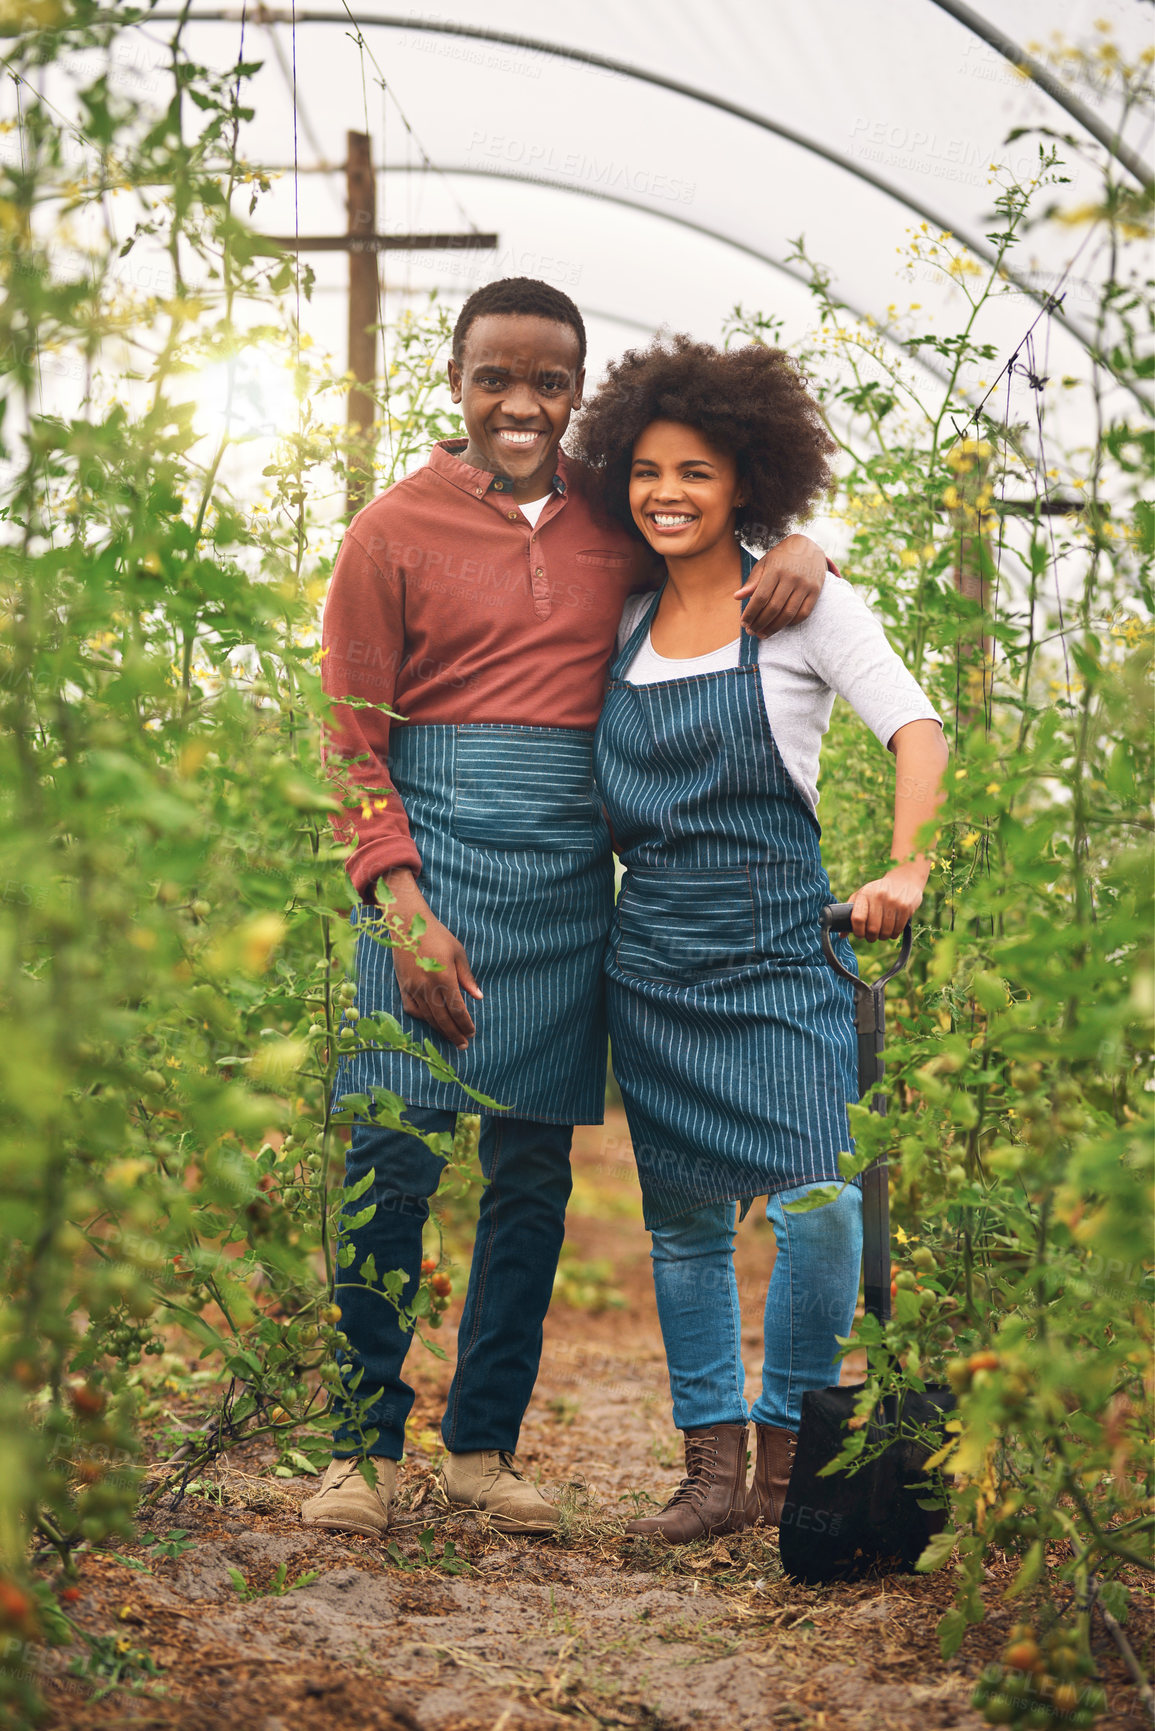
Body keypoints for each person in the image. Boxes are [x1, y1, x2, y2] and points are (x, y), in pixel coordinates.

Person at [301, 281, 836, 1541]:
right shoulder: (393, 531)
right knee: (390, 1151)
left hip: (564, 888)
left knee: (530, 1173)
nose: (523, 404)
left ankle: (482, 1447)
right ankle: (358, 1452)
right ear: (456, 383)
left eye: (549, 381)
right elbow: (345, 741)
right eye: (497, 377)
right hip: (426, 877)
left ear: (580, 393)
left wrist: (810, 546)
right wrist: (399, 903)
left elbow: (726, 543)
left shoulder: (615, 520)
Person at [573, 335, 947, 1542]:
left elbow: (918, 731)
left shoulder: (798, 602)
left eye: (695, 470)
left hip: (784, 951)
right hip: (655, 958)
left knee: (821, 1204)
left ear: (747, 482)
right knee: (682, 1225)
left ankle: (790, 1468)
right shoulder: (618, 622)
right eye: (645, 471)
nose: (666, 492)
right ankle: (710, 1476)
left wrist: (909, 864)